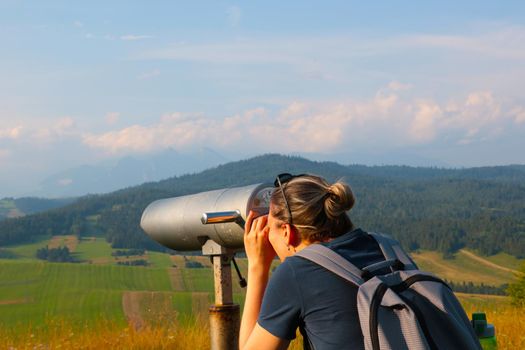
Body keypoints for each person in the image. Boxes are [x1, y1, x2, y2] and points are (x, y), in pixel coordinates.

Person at [239, 173, 386, 350]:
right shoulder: (386, 247)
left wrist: (257, 267)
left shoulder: (297, 271)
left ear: (287, 232)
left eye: (269, 227)